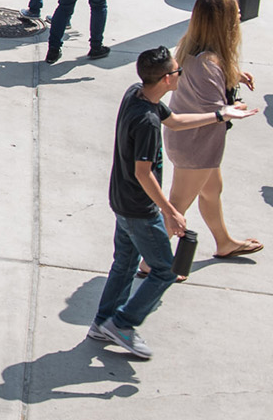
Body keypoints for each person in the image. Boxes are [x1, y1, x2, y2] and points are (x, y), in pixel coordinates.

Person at [90, 47, 256, 359]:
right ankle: (123, 324)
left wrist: (221, 114)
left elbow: (177, 121)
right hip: (140, 210)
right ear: (168, 79)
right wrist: (172, 212)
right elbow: (144, 173)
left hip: (120, 200)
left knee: (124, 263)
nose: (180, 74)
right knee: (165, 270)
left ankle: (102, 323)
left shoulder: (136, 93)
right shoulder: (148, 122)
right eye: (178, 71)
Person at [166, 0, 266, 273]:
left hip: (193, 143)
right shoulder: (208, 63)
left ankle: (224, 242)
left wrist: (234, 75)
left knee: (212, 190)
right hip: (196, 144)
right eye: (235, 14)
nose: (239, 16)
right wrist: (234, 108)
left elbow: (204, 84)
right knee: (177, 207)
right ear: (221, 23)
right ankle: (151, 263)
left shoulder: (194, 49)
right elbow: (214, 110)